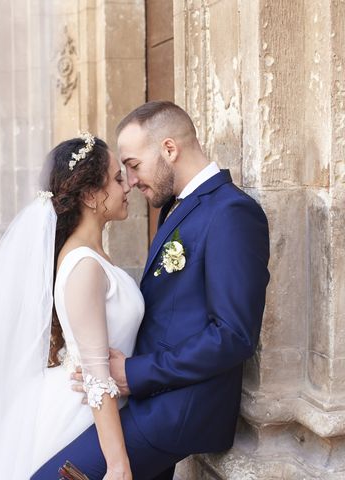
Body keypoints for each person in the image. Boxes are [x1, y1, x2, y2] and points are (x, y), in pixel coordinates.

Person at [32, 101, 270, 479]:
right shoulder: (173, 206)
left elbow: (234, 334)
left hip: (177, 407)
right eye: (121, 172)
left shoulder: (230, 212)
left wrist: (133, 372)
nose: (130, 180)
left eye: (133, 165)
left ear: (169, 149)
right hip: (142, 398)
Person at [0, 133, 143, 479]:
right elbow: (96, 379)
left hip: (100, 405)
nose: (128, 186)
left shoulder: (91, 256)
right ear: (92, 196)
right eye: (117, 178)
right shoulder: (84, 266)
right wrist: (117, 465)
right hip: (79, 415)